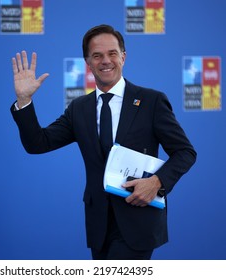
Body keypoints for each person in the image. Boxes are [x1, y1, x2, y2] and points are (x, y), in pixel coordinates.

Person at [10, 24, 197, 260]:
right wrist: (24, 100)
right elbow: (38, 143)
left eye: (112, 53)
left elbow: (185, 152)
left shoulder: (151, 101)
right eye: (97, 55)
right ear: (88, 63)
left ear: (123, 57)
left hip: (138, 217)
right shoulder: (79, 108)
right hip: (98, 225)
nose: (105, 61)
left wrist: (156, 182)